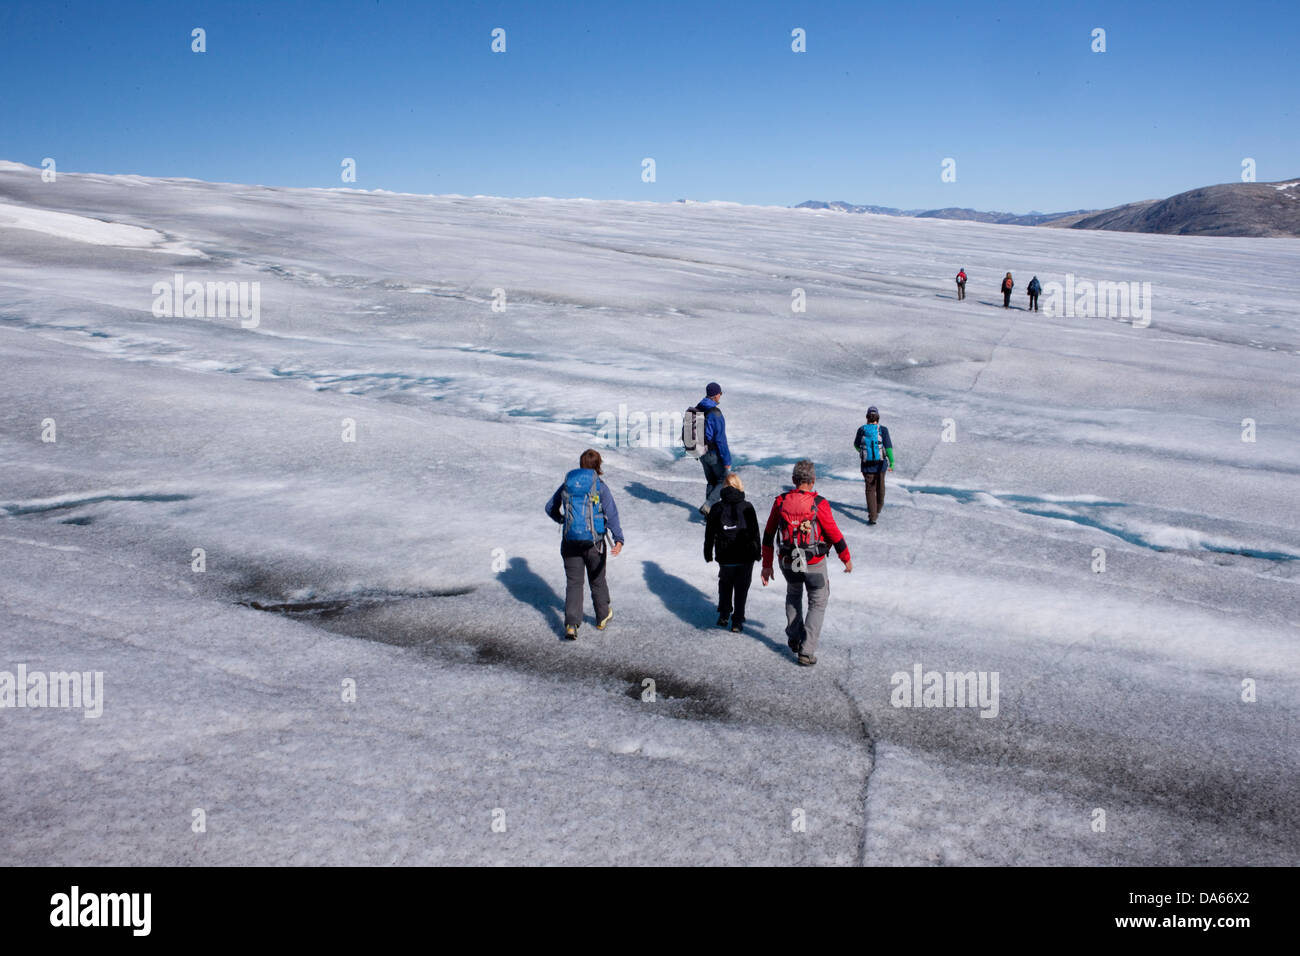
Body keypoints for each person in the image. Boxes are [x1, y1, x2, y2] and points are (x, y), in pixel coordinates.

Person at [760, 460, 852, 666]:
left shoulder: (780, 501)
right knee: (818, 601)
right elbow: (834, 534)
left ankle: (794, 638)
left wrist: (767, 565)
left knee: (793, 593)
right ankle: (806, 651)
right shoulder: (819, 503)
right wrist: (845, 558)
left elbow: (767, 535)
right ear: (813, 481)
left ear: (794, 480)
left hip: (787, 560)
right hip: (814, 562)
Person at [545, 449, 625, 640]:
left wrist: (563, 520)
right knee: (597, 580)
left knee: (574, 583)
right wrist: (619, 539)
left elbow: (549, 507)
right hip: (594, 543)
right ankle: (602, 616)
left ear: (581, 464)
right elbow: (611, 514)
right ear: (598, 465)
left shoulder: (568, 484)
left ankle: (571, 624)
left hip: (570, 541)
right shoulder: (599, 486)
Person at [704, 472, 760, 634]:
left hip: (725, 555)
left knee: (725, 583)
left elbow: (709, 534)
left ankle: (723, 614)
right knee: (742, 588)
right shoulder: (747, 506)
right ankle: (737, 621)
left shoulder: (717, 508)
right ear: (739, 486)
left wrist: (708, 552)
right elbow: (755, 532)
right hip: (745, 556)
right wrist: (758, 553)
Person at [693, 382, 732, 516]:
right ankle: (709, 505)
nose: (720, 396)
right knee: (724, 480)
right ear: (716, 395)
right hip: (713, 453)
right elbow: (721, 440)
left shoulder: (699, 407)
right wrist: (727, 461)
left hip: (700, 451)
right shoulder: (715, 413)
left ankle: (710, 516)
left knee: (712, 482)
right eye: (720, 394)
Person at [853, 406, 894, 524]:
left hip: (867, 465)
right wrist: (892, 462)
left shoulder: (862, 429)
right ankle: (878, 508)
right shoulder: (883, 430)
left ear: (867, 417)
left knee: (870, 490)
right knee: (880, 488)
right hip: (881, 465)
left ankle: (873, 516)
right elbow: (888, 448)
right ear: (878, 417)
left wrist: (864, 453)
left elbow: (856, 445)